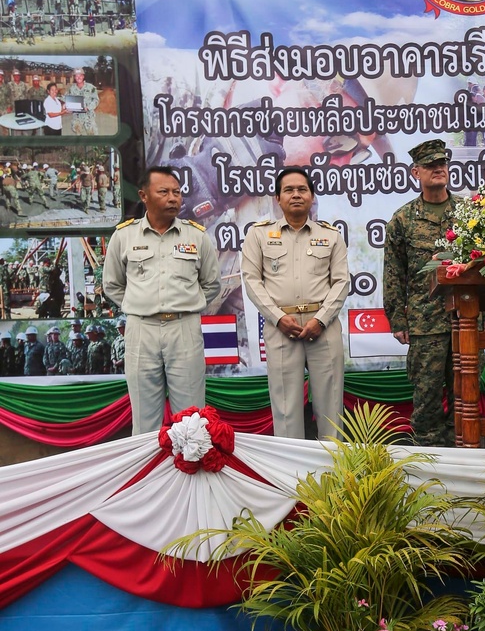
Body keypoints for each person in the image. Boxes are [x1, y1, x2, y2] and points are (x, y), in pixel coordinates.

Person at [103, 166, 222, 434]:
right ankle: (148, 475)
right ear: (144, 196)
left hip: (184, 328)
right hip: (141, 329)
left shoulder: (196, 235)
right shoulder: (124, 236)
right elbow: (112, 284)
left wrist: (186, 303)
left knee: (191, 417)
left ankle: (191, 472)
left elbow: (212, 283)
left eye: (177, 193)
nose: (173, 198)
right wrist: (140, 304)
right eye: (164, 192)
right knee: (145, 418)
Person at [240, 165, 349, 439]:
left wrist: (320, 320)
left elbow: (341, 282)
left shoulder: (331, 235)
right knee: (286, 408)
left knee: (330, 406)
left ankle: (336, 475)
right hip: (281, 328)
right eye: (288, 190)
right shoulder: (259, 234)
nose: (296, 195)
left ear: (312, 196)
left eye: (302, 189)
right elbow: (252, 281)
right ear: (278, 199)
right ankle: (291, 477)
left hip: (323, 327)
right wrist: (277, 318)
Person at [382, 140, 459, 446]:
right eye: (430, 165)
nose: (438, 169)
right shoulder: (403, 219)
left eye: (442, 163)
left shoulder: (470, 213)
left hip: (465, 319)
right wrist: (397, 320)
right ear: (416, 172)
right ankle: (431, 459)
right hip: (425, 321)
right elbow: (393, 273)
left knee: (465, 393)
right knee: (426, 396)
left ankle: (465, 454)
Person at [66, 68, 99, 134]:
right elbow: (67, 99)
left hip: (89, 116)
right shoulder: (71, 89)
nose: (78, 77)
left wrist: (88, 107)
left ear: (83, 76)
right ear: (74, 77)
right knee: (79, 137)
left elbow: (96, 100)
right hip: (77, 117)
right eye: (76, 76)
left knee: (93, 136)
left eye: (80, 75)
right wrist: (66, 106)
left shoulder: (91, 88)